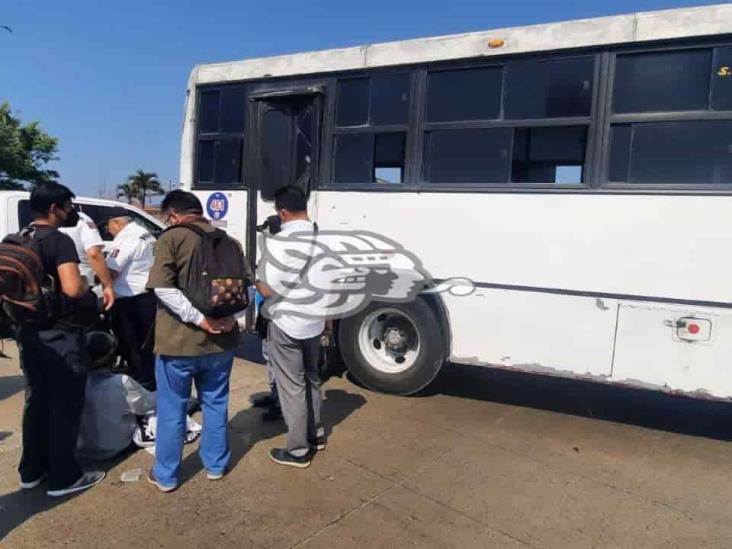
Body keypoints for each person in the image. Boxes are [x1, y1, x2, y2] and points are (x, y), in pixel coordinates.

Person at [145, 190, 252, 492]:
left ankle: (166, 475)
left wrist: (199, 319)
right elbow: (245, 288)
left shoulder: (172, 237)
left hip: (178, 344)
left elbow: (163, 289)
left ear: (174, 215)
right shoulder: (229, 241)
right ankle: (216, 466)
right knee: (216, 404)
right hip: (222, 343)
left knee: (172, 408)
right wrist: (233, 317)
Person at [14, 182, 105, 497]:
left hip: (28, 332)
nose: (71, 213)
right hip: (60, 334)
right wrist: (85, 284)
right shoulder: (59, 240)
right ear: (54, 209)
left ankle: (31, 470)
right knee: (64, 403)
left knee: (36, 401)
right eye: (68, 206)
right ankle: (64, 477)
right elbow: (70, 288)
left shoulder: (18, 237)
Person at [256, 185, 326, 469]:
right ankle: (316, 434)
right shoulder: (325, 240)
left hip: (288, 323)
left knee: (291, 385)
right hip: (316, 320)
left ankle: (298, 450)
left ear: (282, 212)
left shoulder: (279, 243)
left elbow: (267, 288)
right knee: (312, 377)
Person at [102, 208, 157, 390]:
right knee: (146, 348)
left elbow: (111, 271)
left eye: (108, 227)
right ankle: (148, 382)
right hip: (147, 296)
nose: (108, 231)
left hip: (130, 302)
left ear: (116, 223)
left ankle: (143, 388)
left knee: (132, 347)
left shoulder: (126, 238)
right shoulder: (144, 233)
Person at [59, 209, 115, 311]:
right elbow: (94, 253)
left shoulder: (34, 226)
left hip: (48, 293)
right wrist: (107, 286)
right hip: (80, 287)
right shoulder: (81, 219)